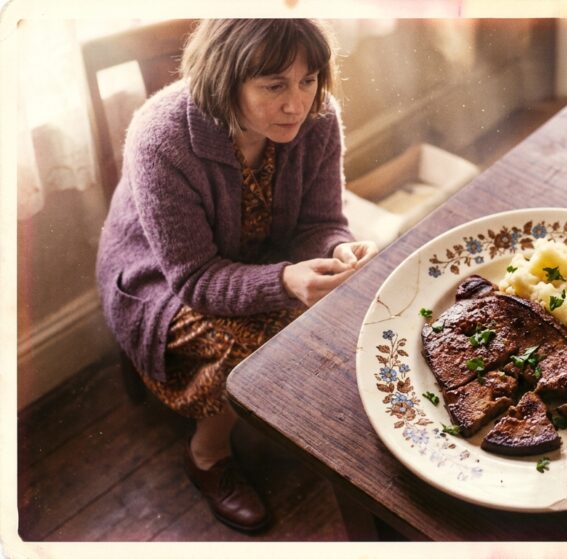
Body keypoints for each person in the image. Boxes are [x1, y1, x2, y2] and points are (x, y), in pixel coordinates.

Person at [96, 19, 377, 533]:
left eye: (309, 78)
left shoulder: (317, 116)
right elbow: (196, 277)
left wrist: (337, 249)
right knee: (257, 346)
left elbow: (320, 222)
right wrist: (286, 282)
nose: (297, 103)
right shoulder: (160, 138)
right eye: (274, 86)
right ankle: (207, 454)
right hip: (159, 282)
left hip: (258, 257)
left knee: (338, 313)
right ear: (226, 78)